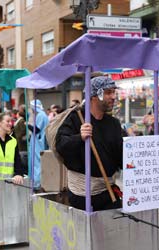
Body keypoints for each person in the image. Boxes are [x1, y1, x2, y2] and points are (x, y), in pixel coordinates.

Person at [56, 76, 122, 211]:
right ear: (94, 96)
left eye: (114, 92)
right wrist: (79, 137)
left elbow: (121, 155)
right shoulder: (75, 118)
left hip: (108, 191)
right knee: (86, 231)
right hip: (82, 195)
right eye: (108, 92)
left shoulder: (113, 123)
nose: (113, 96)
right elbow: (61, 146)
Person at [28, 99, 49, 190]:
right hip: (38, 143)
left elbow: (36, 129)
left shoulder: (41, 115)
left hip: (38, 144)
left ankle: (37, 184)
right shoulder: (42, 115)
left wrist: (27, 125)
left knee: (37, 163)